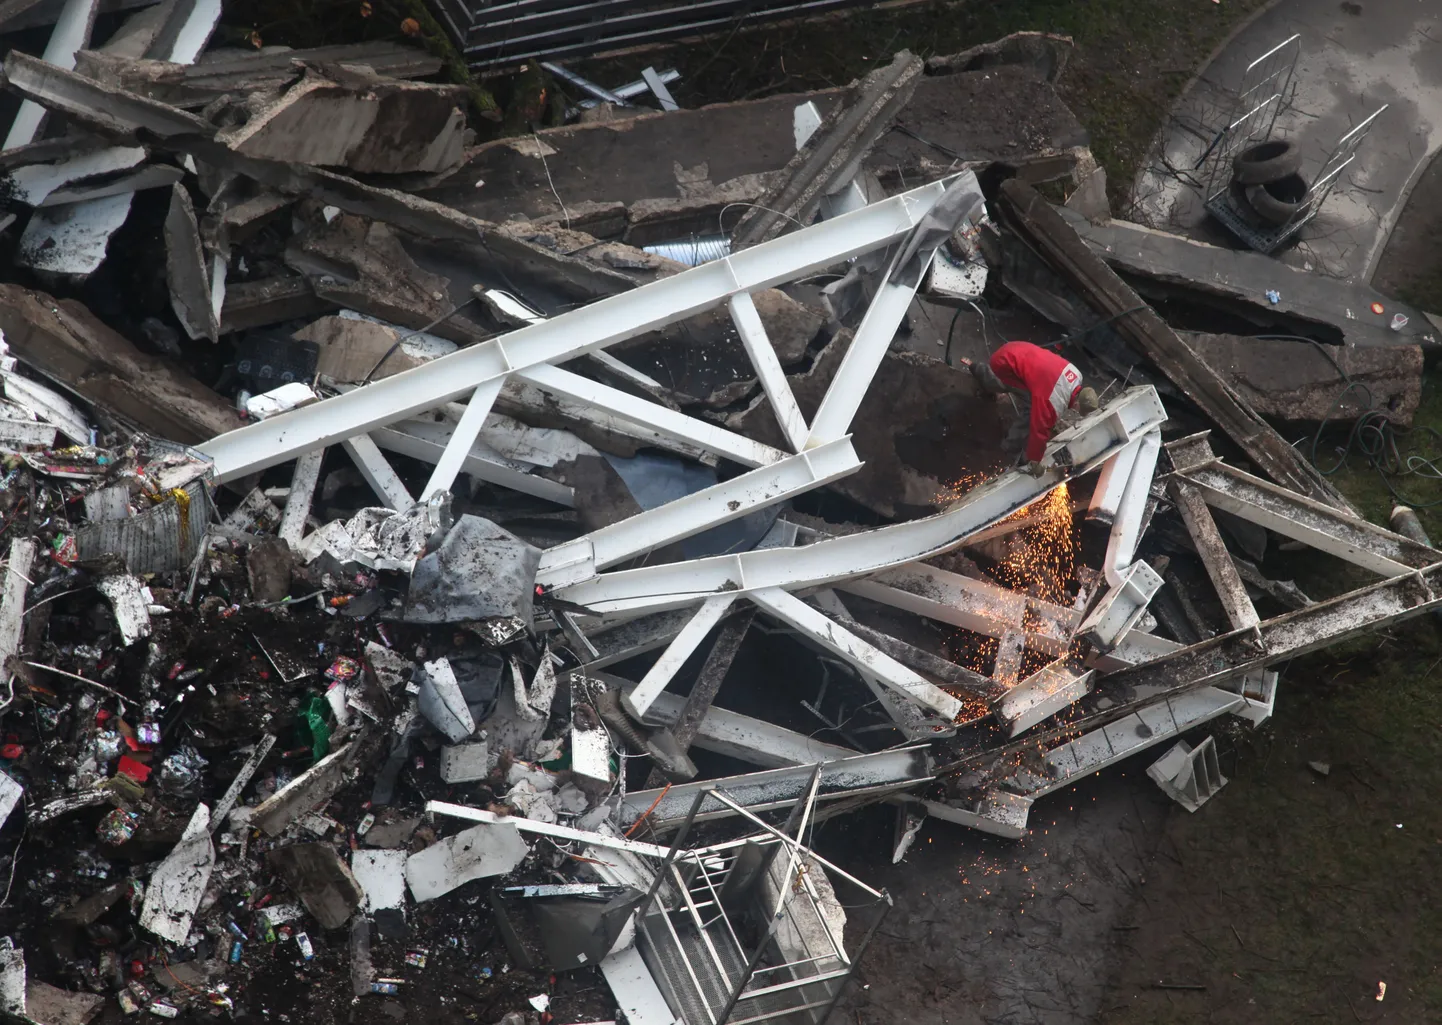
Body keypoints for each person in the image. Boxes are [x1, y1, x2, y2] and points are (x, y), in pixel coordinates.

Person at [970, 341, 1098, 475]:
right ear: (1077, 404)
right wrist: (1034, 461)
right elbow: (1039, 432)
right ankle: (1010, 447)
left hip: (1017, 349)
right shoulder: (1053, 399)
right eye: (1078, 410)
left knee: (1026, 393)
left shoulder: (1076, 374)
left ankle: (978, 368)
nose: (1075, 411)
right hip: (1004, 363)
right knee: (1030, 410)